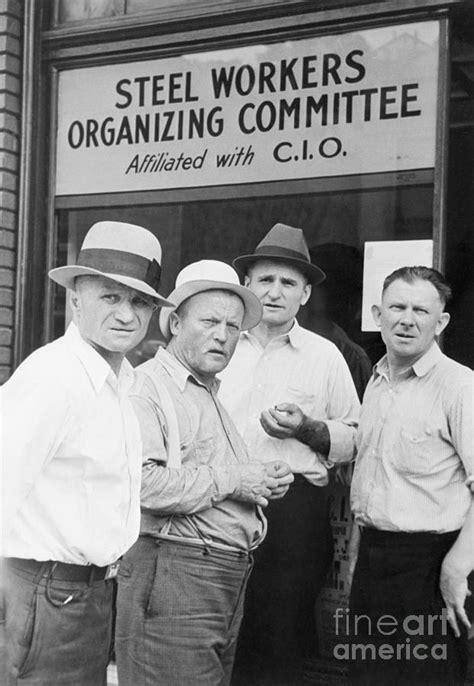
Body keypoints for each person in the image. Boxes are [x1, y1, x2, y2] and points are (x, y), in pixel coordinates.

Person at [1, 221, 173, 686]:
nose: (126, 314)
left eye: (139, 301)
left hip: (88, 597)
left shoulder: (120, 381)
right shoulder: (53, 378)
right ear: (76, 298)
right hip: (41, 595)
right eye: (110, 297)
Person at [115, 259, 294, 686]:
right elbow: (144, 484)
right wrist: (237, 479)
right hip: (175, 575)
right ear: (175, 323)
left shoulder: (206, 389)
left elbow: (209, 473)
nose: (222, 335)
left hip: (215, 579)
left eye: (233, 327)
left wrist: (259, 478)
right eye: (210, 321)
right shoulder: (147, 387)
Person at [218, 223, 360, 685]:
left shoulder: (325, 356)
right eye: (265, 280)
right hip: (218, 504)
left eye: (288, 283)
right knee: (214, 632)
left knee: (279, 644)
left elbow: (356, 437)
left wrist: (307, 429)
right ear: (246, 287)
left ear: (304, 295)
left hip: (294, 514)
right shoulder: (217, 346)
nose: (275, 292)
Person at [349, 266, 473, 686]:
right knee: (368, 675)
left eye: (421, 310)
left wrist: (457, 568)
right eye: (397, 306)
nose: (407, 318)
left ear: (441, 323)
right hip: (373, 563)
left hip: (431, 566)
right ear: (377, 313)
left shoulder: (459, 386)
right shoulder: (377, 381)